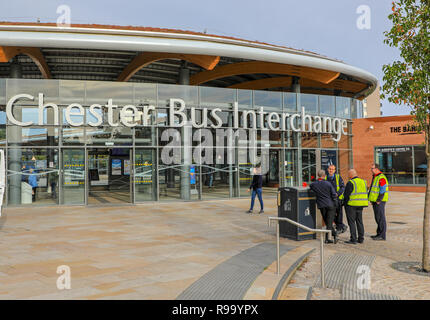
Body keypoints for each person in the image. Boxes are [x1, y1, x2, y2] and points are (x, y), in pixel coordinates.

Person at [310, 169, 338, 244]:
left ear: (318, 175)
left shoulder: (314, 184)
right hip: (330, 205)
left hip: (321, 205)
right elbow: (334, 194)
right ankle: (328, 238)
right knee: (329, 222)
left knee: (327, 222)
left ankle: (334, 234)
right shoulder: (328, 184)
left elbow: (311, 187)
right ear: (324, 176)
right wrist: (336, 205)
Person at [343, 169, 368, 244]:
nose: (348, 176)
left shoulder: (351, 182)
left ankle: (353, 239)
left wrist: (345, 204)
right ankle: (361, 238)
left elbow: (346, 195)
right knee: (359, 221)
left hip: (352, 205)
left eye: (348, 174)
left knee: (352, 222)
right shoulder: (363, 182)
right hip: (361, 204)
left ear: (350, 175)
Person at [325, 164, 347, 234]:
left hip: (338, 199)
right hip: (329, 200)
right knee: (331, 215)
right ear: (327, 169)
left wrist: (337, 194)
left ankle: (340, 228)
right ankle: (341, 226)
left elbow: (342, 187)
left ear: (334, 170)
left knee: (339, 214)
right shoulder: (325, 178)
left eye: (332, 169)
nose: (331, 170)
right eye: (330, 169)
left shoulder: (338, 177)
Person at [369, 163, 389, 241]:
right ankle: (378, 233)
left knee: (381, 218)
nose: (371, 170)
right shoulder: (375, 177)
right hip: (375, 201)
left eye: (372, 168)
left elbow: (383, 189)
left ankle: (382, 235)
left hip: (379, 201)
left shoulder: (381, 177)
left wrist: (378, 200)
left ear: (377, 169)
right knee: (377, 218)